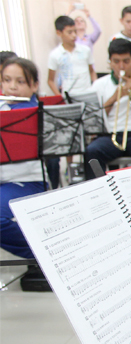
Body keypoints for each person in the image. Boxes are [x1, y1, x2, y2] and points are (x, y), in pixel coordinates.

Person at [84, 39, 131, 179]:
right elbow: (93, 118)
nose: (121, 66)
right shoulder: (99, 85)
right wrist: (115, 97)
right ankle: (100, 194)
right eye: (116, 61)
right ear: (110, 62)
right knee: (92, 151)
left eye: (126, 61)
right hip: (109, 135)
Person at [0, 57, 46, 258]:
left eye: (20, 82)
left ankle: (41, 254)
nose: (12, 87)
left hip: (26, 181)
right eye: (7, 80)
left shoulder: (35, 113)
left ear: (34, 85)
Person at [47, 16, 95, 97]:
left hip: (88, 94)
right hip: (69, 97)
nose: (74, 35)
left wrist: (95, 87)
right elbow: (50, 80)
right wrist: (60, 97)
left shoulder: (86, 50)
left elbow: (92, 71)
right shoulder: (55, 54)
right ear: (59, 33)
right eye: (69, 32)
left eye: (75, 31)